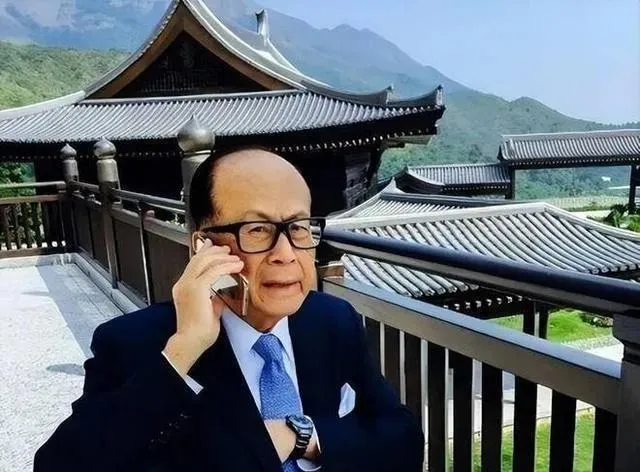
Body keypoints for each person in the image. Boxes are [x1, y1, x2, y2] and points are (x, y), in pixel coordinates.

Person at [34, 148, 424, 471]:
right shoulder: (139, 343)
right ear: (204, 246)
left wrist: (301, 436)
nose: (286, 254)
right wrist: (183, 351)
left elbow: (403, 439)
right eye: (257, 230)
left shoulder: (331, 320)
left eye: (298, 227)